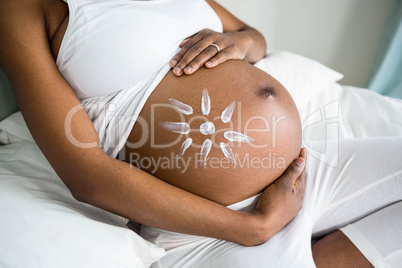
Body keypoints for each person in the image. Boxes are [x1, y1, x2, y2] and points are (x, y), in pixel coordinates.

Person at [0, 0, 400, 267]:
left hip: (299, 176)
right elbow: (84, 173)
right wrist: (253, 227)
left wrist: (239, 41)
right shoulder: (21, 9)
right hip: (205, 230)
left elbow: (251, 34)